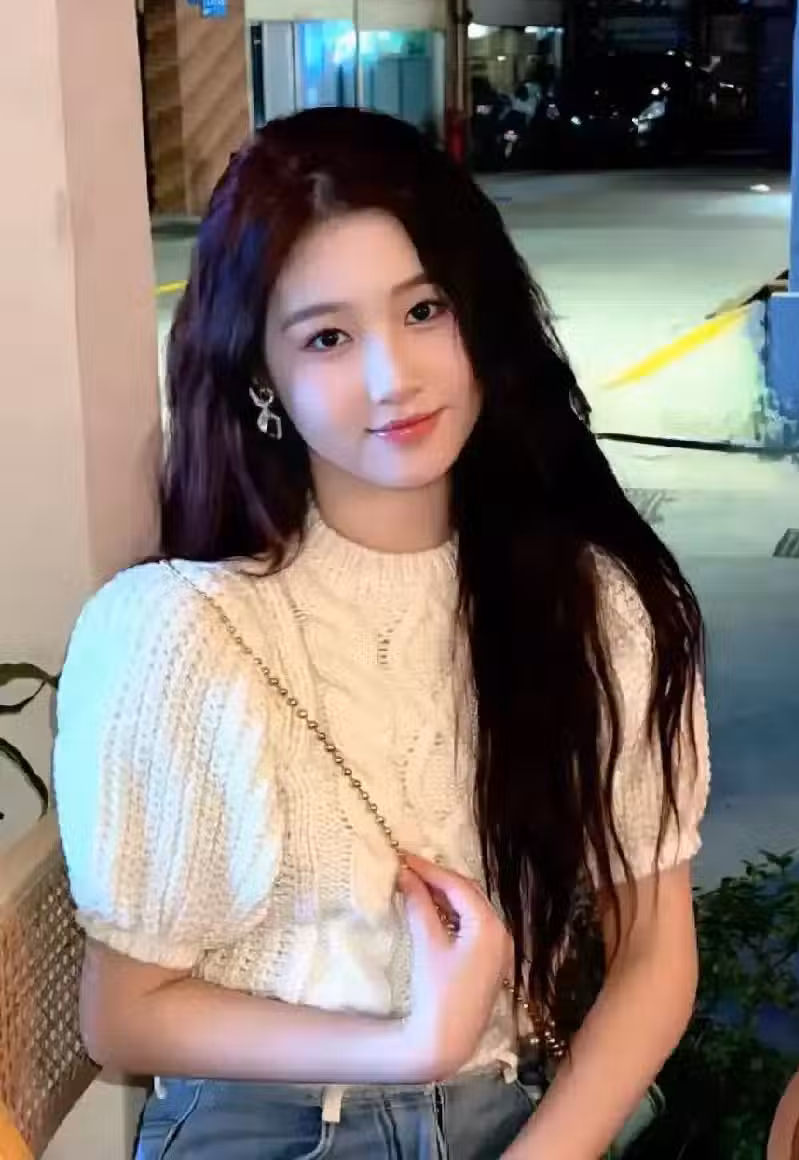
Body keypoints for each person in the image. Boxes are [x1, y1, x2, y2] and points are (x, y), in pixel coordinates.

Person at [54, 107, 710, 1159]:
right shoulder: (180, 632)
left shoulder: (594, 608)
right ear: (262, 378)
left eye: (423, 309)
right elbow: (123, 1015)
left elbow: (654, 957)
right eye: (328, 337)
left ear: (480, 316)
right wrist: (408, 1045)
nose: (391, 376)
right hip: (271, 1129)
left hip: (518, 1117)